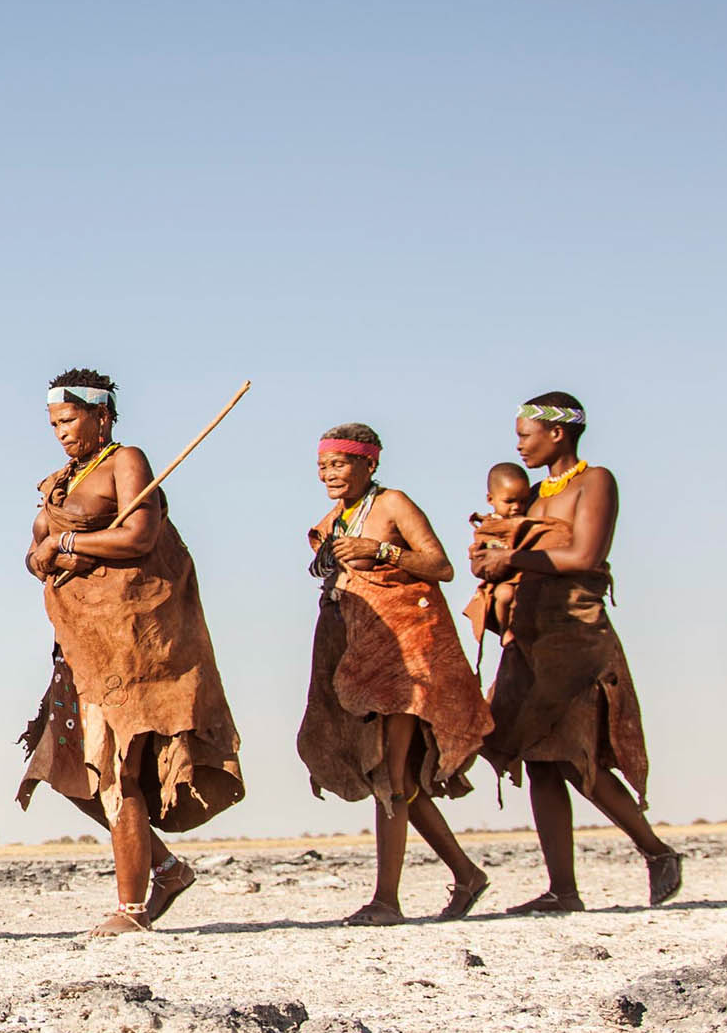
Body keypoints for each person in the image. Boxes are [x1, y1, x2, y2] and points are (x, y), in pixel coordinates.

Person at [18, 371, 243, 936]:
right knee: (66, 769)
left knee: (120, 768)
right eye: (53, 424)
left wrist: (67, 544)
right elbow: (32, 554)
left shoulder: (127, 462)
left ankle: (132, 908)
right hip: (82, 643)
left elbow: (139, 537)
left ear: (101, 415)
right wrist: (46, 556)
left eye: (68, 421)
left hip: (131, 646)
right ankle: (166, 869)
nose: (61, 433)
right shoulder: (60, 482)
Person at [468, 392, 685, 914]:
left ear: (557, 433)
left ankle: (656, 851)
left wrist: (513, 556)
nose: (519, 445)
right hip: (530, 635)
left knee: (576, 757)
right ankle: (563, 890)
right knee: (541, 760)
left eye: (526, 434)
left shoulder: (596, 482)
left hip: (576, 635)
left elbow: (587, 554)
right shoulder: (533, 496)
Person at [293, 423, 493, 925]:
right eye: (323, 466)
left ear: (369, 464)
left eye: (339, 464)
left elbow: (441, 567)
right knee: (396, 776)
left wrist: (379, 552)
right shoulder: (335, 519)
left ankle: (387, 901)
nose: (329, 474)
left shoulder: (393, 503)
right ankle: (466, 874)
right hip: (364, 654)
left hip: (406, 653)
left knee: (391, 773)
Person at [460, 462, 535, 654]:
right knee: (505, 595)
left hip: (526, 578)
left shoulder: (529, 521)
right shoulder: (489, 527)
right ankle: (505, 631)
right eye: (509, 501)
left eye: (523, 501)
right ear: (490, 499)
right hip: (503, 580)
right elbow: (481, 559)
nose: (517, 507)